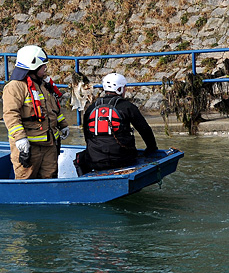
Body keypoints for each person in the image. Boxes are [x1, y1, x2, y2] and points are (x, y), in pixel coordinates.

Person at [2, 45, 69, 179]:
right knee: (26, 182)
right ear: (33, 66)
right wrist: (20, 138)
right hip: (29, 147)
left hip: (49, 145)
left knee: (50, 180)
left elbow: (52, 110)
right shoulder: (15, 87)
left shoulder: (43, 85)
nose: (45, 68)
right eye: (43, 66)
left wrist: (63, 124)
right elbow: (10, 115)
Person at [81, 73, 158, 171]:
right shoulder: (127, 107)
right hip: (122, 160)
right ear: (119, 89)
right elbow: (144, 129)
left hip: (95, 160)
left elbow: (86, 135)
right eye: (124, 87)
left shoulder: (91, 108)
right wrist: (152, 148)